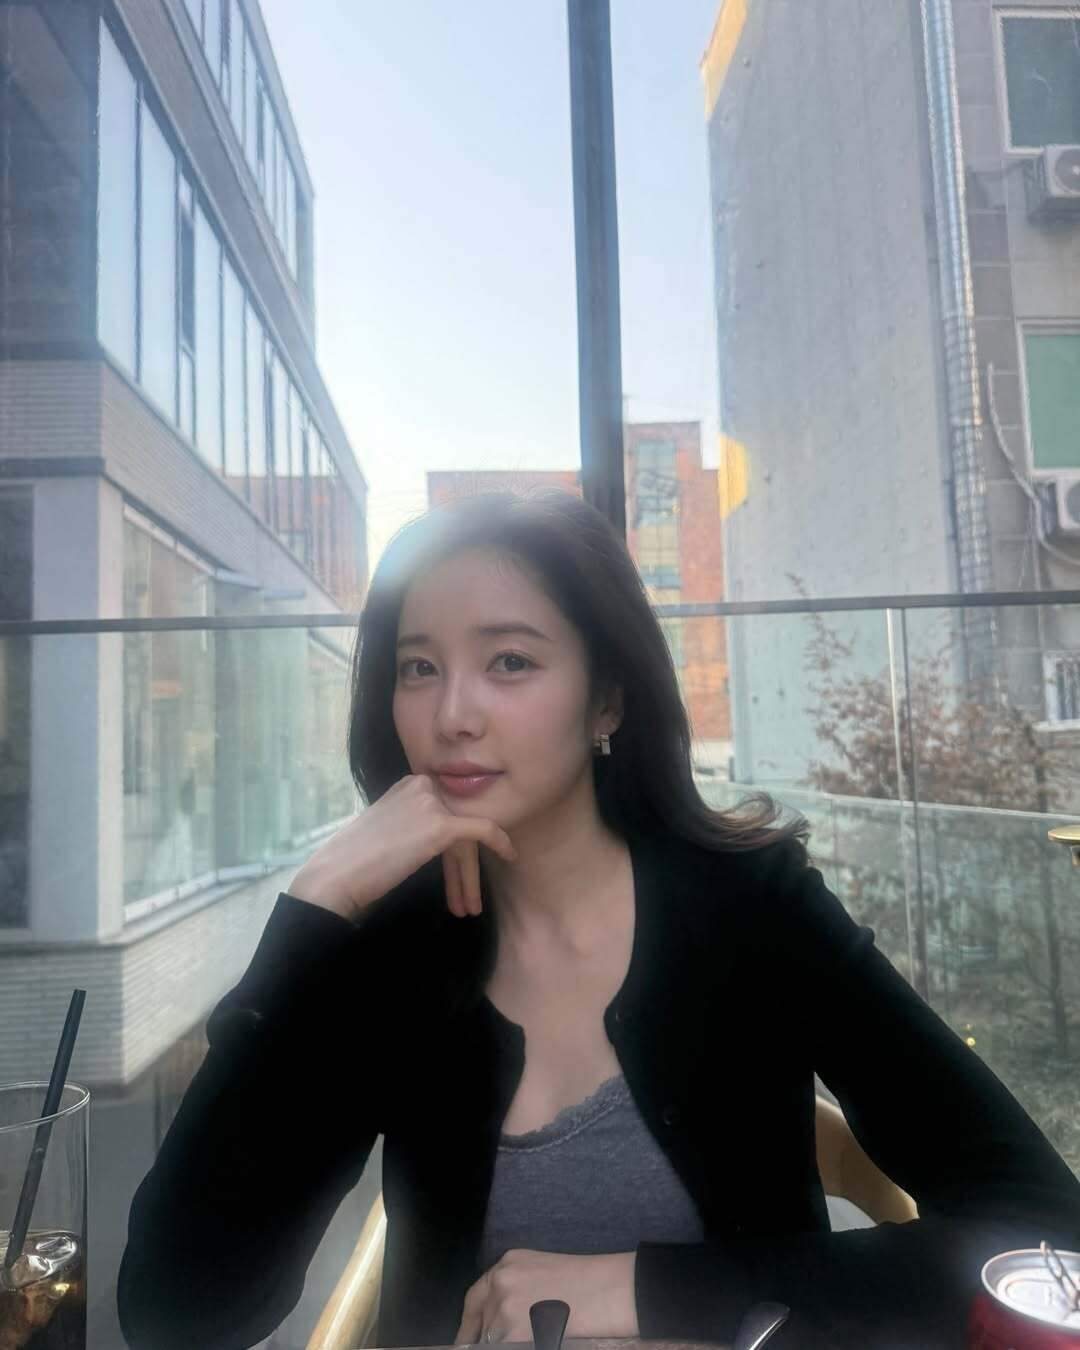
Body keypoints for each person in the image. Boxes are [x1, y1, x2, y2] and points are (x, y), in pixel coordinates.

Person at [117, 488, 1080, 1350]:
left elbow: (1044, 1229)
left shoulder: (751, 908)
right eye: (418, 667)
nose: (453, 715)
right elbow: (177, 1311)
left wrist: (644, 1289)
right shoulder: (387, 955)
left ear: (607, 700)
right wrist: (311, 913)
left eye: (509, 661)